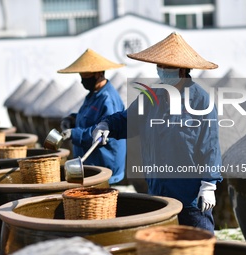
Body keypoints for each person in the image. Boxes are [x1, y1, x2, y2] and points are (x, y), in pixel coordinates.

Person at [92, 32, 223, 233]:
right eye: (159, 66)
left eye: (167, 67)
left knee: (198, 243)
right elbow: (128, 120)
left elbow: (210, 146)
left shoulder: (201, 102)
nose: (162, 71)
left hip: (190, 195)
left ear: (182, 70)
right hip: (159, 190)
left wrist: (209, 185)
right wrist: (106, 125)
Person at [58, 48, 126, 184]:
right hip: (93, 162)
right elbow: (89, 116)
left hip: (105, 164)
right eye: (81, 76)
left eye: (86, 76)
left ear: (99, 74)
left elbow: (103, 133)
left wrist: (74, 134)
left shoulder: (107, 98)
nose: (83, 80)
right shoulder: (94, 94)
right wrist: (72, 119)